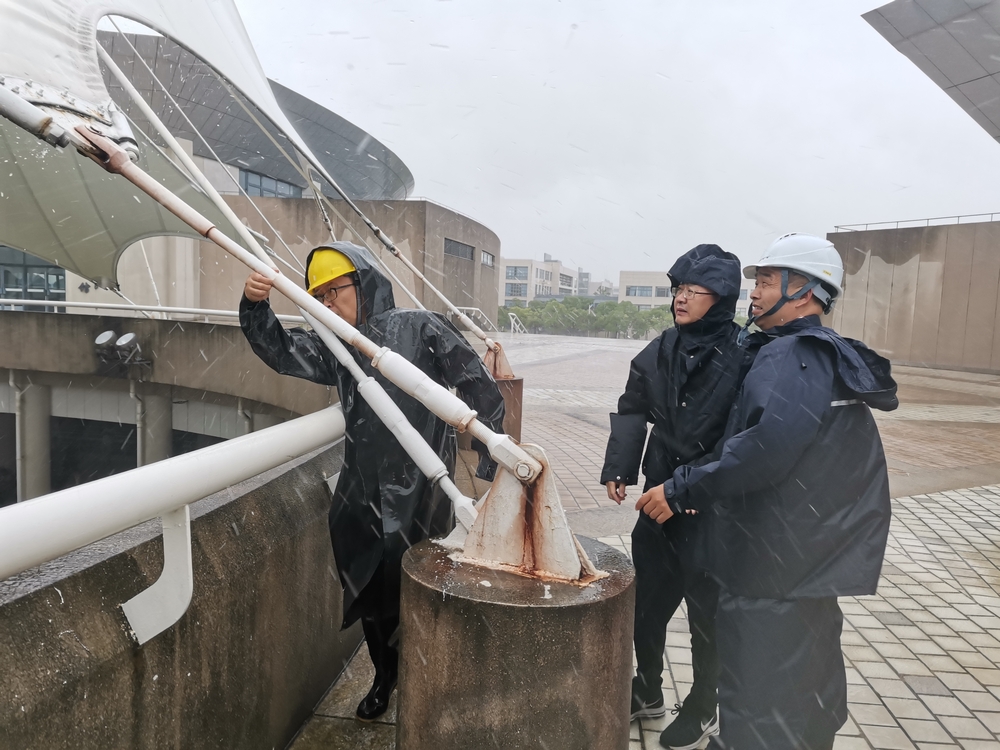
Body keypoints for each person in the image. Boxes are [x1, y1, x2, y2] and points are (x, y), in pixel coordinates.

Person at [637, 233, 897, 750]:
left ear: (804, 291)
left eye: (765, 281)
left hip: (769, 569)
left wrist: (682, 486)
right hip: (807, 565)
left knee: (757, 697)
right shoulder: (826, 354)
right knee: (810, 695)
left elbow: (765, 449)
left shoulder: (791, 355)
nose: (752, 294)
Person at [239, 242, 505, 721]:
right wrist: (255, 306)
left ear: (362, 284)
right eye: (316, 296)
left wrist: (490, 458)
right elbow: (283, 352)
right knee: (369, 590)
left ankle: (429, 674)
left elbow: (476, 383)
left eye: (334, 292)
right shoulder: (334, 344)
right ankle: (386, 675)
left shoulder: (419, 326)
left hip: (423, 485)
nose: (326, 304)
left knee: (422, 584)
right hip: (360, 492)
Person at [601, 244, 755, 750]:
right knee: (645, 605)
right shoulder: (663, 347)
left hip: (712, 509)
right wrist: (620, 467)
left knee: (706, 615)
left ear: (723, 297)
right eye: (678, 289)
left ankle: (704, 705)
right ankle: (646, 689)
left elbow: (748, 441)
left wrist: (695, 486)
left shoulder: (745, 354)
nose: (680, 299)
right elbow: (632, 406)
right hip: (656, 499)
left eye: (694, 291)